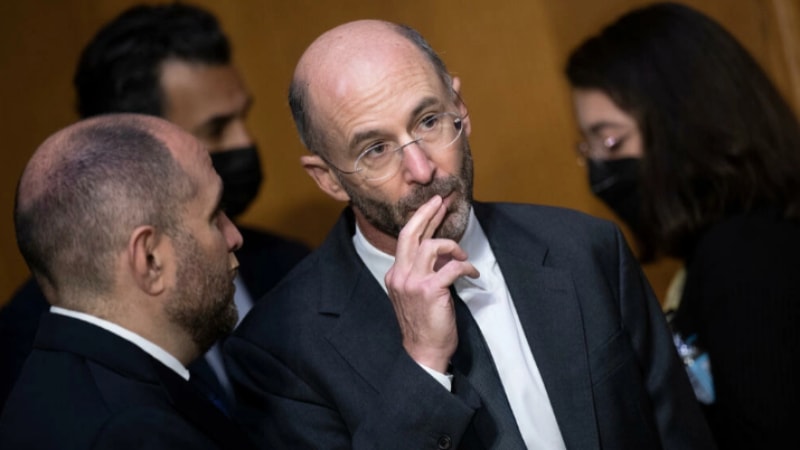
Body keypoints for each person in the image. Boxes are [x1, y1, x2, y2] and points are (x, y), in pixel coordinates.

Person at [223, 19, 715, 449]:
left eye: (430, 120)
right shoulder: (279, 349)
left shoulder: (585, 250)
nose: (422, 168)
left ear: (460, 106)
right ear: (328, 177)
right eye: (375, 149)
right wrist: (423, 365)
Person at [0, 2, 310, 410]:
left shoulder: (290, 269)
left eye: (243, 118)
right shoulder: (34, 347)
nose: (243, 143)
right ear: (132, 146)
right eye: (216, 128)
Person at [565, 3, 800, 448]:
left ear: (683, 124)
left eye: (611, 140)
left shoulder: (748, 254)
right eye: (589, 145)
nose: (599, 168)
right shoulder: (724, 247)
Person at [0, 113, 257, 449]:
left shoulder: (58, 383)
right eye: (213, 216)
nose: (234, 236)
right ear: (149, 259)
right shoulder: (135, 433)